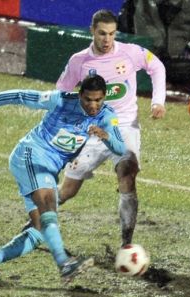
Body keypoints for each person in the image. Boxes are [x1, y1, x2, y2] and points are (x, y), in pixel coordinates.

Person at [0, 75, 126, 282]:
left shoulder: (107, 115)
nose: (93, 105)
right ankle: (64, 263)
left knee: (40, 230)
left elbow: (121, 148)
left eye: (98, 100)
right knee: (49, 209)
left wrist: (107, 137)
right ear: (80, 95)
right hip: (31, 154)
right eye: (88, 99)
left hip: (48, 169)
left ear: (104, 97)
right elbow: (20, 95)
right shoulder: (60, 100)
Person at [53, 9, 166, 246]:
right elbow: (60, 91)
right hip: (91, 131)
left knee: (127, 173)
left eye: (112, 34)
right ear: (92, 31)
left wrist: (158, 101)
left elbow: (157, 67)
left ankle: (127, 243)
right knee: (68, 190)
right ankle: (36, 220)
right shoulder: (79, 61)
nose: (107, 40)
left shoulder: (130, 52)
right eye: (102, 34)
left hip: (124, 126)